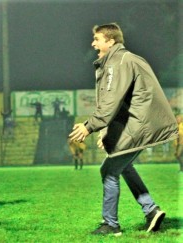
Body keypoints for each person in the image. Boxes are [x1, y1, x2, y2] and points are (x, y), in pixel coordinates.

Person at [69, 23, 178, 236]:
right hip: (141, 124)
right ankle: (151, 210)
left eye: (97, 39)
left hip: (140, 126)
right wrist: (105, 132)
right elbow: (122, 102)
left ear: (110, 42)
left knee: (109, 170)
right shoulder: (126, 59)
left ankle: (111, 225)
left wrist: (89, 126)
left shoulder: (117, 63)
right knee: (123, 164)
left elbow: (111, 102)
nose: (93, 43)